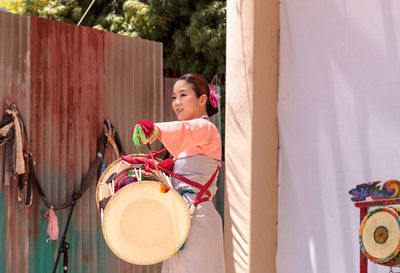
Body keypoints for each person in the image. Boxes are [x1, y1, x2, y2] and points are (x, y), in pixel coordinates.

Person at [133, 73, 225, 273]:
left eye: (183, 95)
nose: (177, 102)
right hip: (179, 220)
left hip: (199, 221)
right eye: (174, 97)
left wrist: (155, 130)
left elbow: (187, 130)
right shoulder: (186, 141)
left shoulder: (207, 129)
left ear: (202, 100)